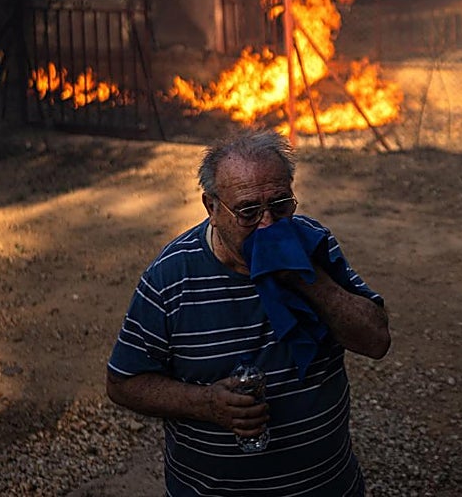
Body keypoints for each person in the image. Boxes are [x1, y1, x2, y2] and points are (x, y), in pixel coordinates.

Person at [106, 129, 390, 496]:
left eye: (280, 205)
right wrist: (207, 404)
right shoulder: (170, 278)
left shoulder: (312, 243)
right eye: (248, 211)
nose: (267, 225)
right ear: (211, 208)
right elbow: (123, 383)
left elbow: (375, 340)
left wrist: (305, 277)